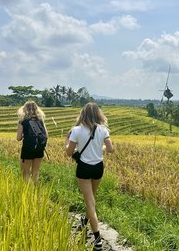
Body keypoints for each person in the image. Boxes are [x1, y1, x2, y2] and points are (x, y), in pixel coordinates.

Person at [66, 102, 113, 251]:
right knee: (91, 198)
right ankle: (85, 220)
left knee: (90, 203)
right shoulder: (103, 130)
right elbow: (110, 149)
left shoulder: (76, 130)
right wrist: (102, 147)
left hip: (84, 169)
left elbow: (69, 153)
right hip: (98, 168)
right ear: (98, 114)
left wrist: (66, 143)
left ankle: (97, 240)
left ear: (83, 114)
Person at [16, 100, 48, 185]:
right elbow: (46, 135)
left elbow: (18, 138)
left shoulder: (22, 121)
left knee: (25, 173)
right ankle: (36, 191)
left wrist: (25, 135)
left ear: (24, 110)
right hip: (40, 149)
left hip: (28, 149)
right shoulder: (40, 120)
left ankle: (30, 192)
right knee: (35, 173)